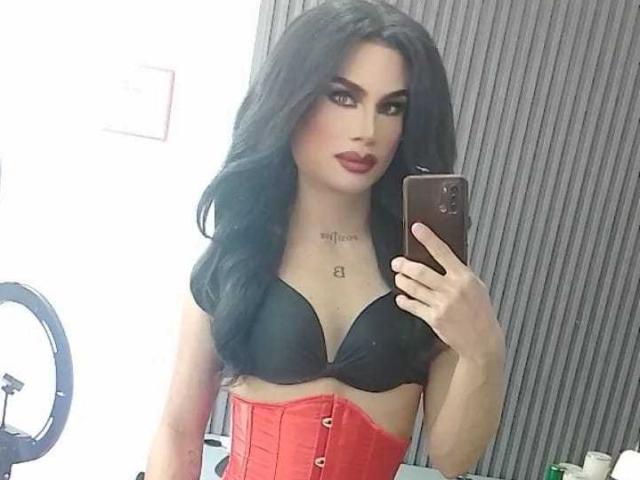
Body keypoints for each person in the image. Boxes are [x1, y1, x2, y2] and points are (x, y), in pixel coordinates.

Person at [144, 1, 506, 479]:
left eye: (391, 107)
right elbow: (178, 430)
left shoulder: (425, 275)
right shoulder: (237, 259)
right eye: (342, 97)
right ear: (293, 100)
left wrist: (485, 349)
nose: (366, 131)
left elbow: (452, 457)